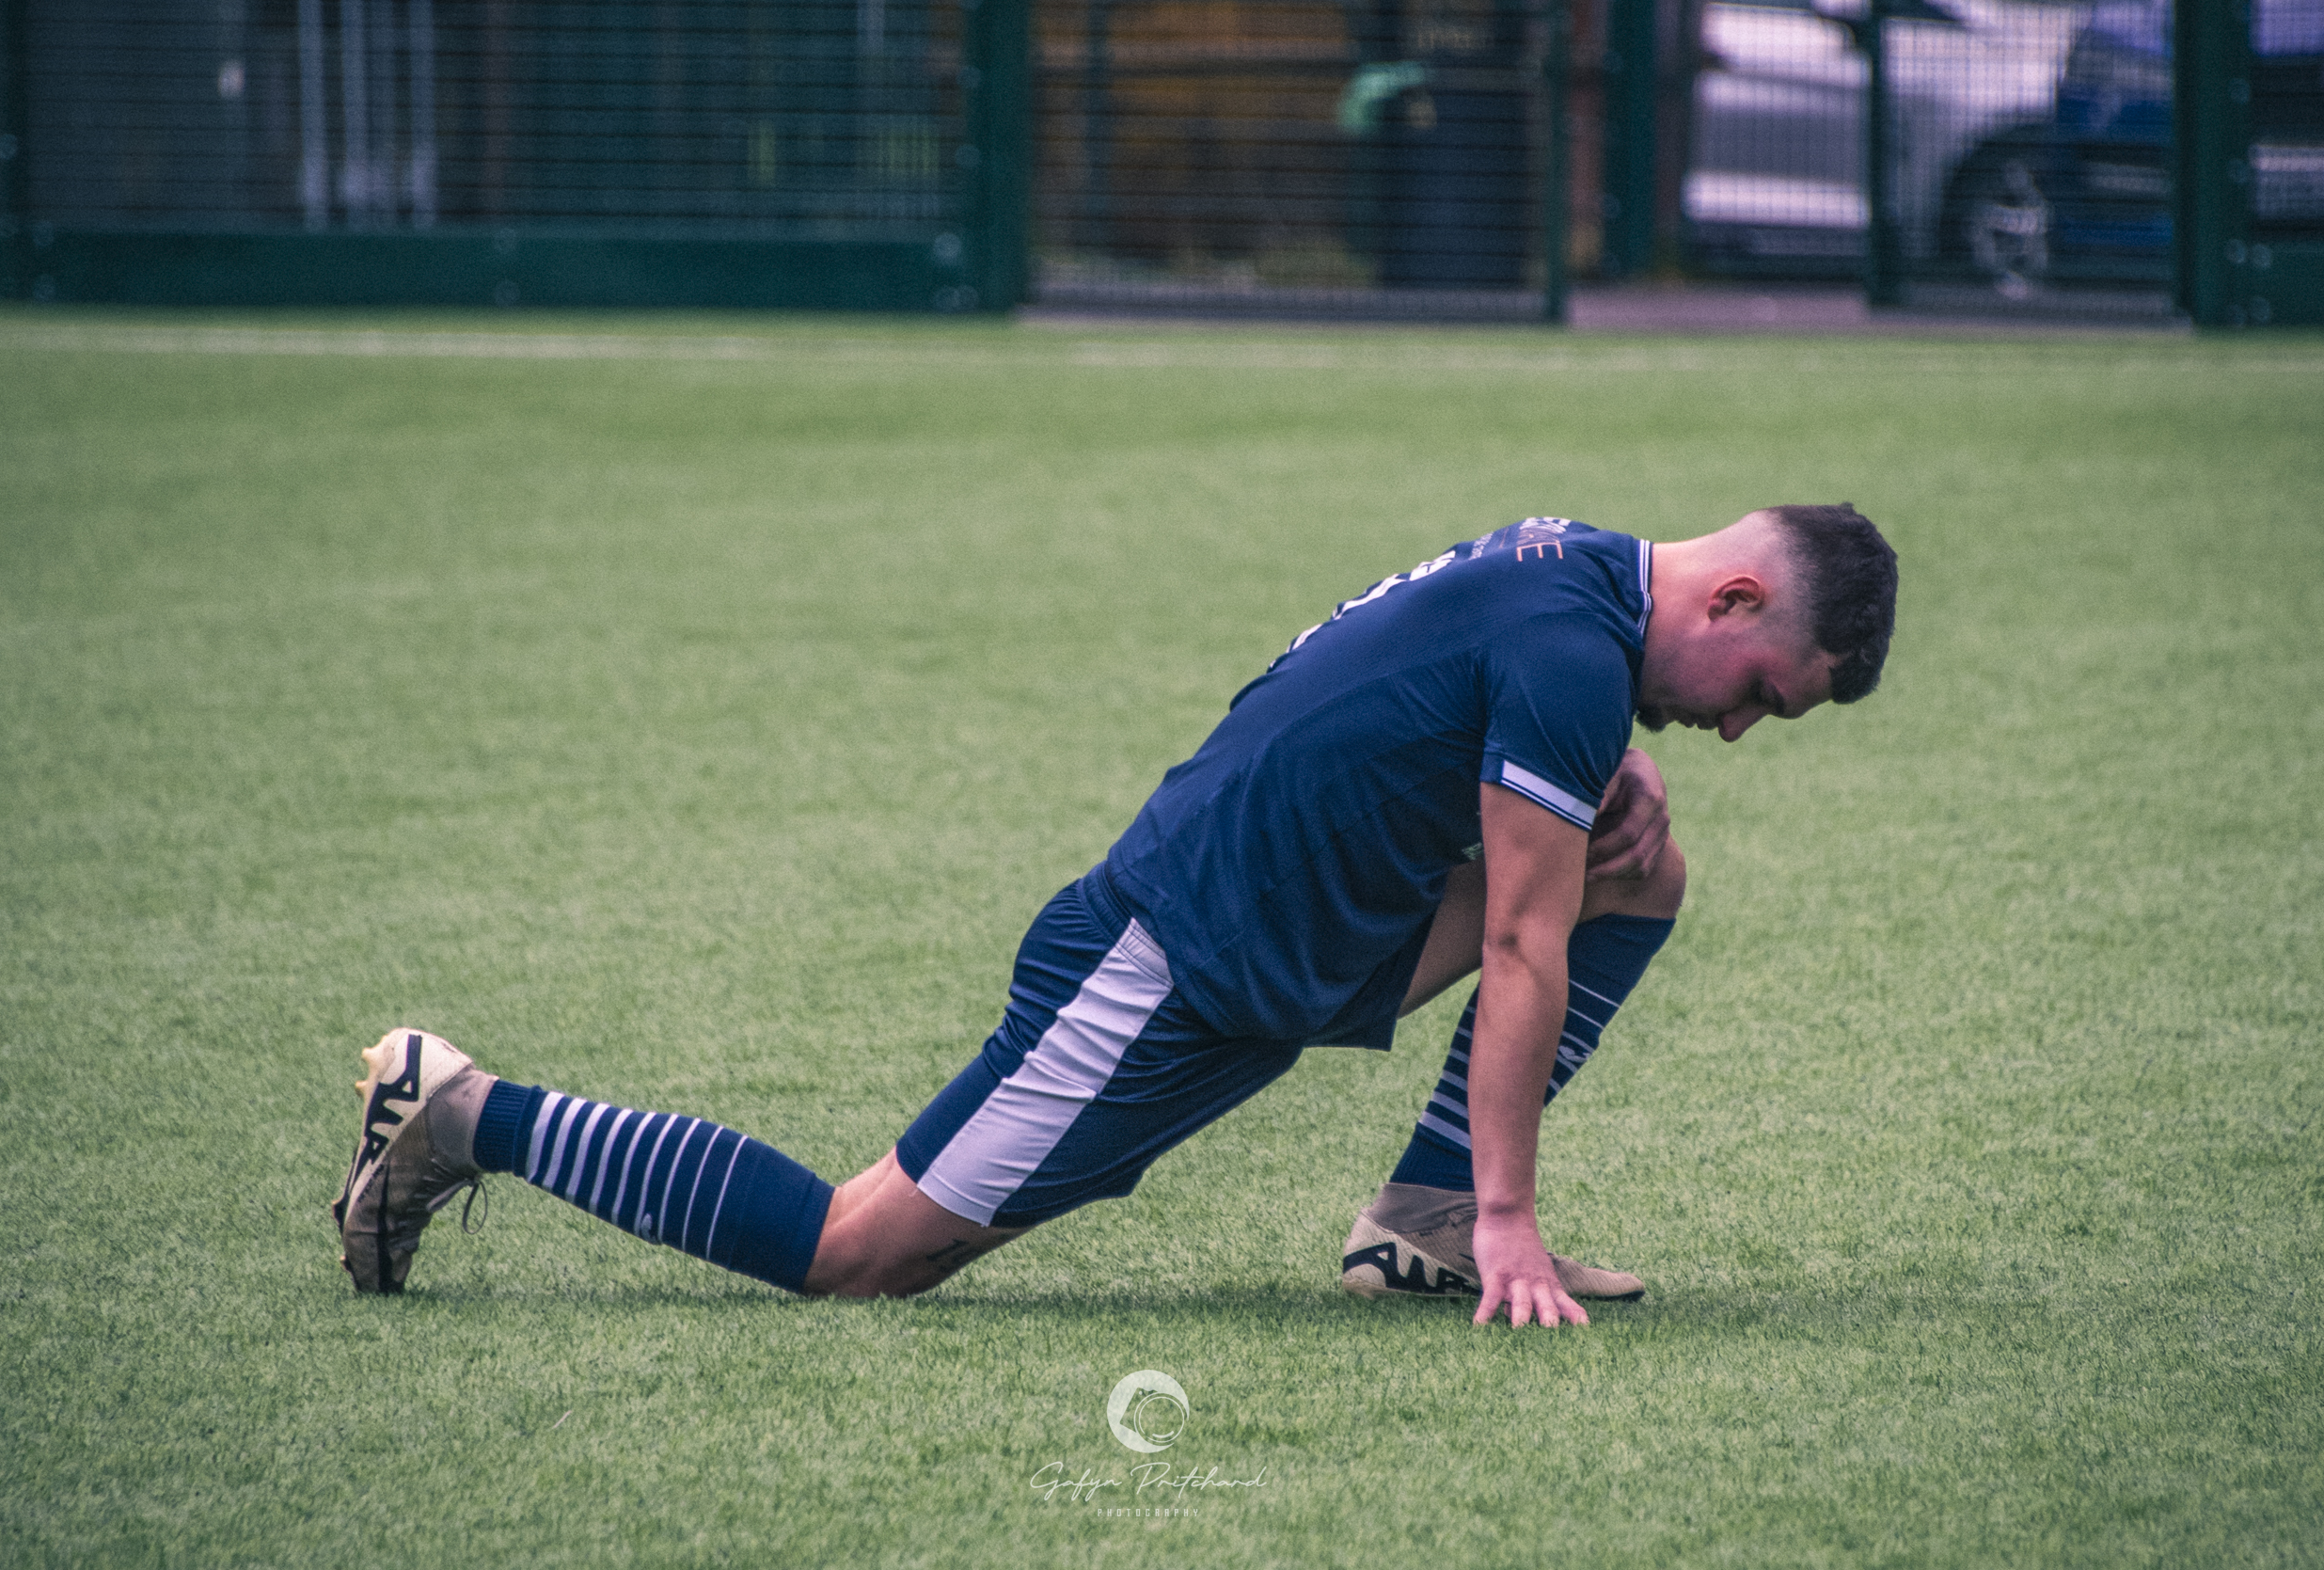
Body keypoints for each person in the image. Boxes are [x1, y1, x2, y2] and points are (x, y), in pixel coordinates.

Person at [334, 503, 1897, 1329]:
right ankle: (464, 1110)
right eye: (1762, 696)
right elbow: (1514, 948)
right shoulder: (1571, 653)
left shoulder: (1582, 578)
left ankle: (1409, 1221)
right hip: (1172, 957)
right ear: (1737, 605)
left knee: (1640, 867)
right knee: (857, 1250)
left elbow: (1443, 681)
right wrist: (1515, 1222)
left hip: (1279, 934)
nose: (1743, 731)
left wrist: (1601, 767)